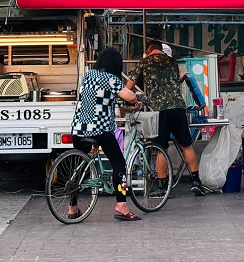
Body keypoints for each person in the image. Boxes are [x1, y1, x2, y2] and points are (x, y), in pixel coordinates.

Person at [126, 41, 210, 196]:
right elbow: (171, 83)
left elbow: (128, 86)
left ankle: (163, 187)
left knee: (161, 148)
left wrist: (129, 100)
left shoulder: (144, 63)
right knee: (186, 145)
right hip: (178, 107)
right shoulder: (171, 61)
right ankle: (196, 182)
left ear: (148, 51)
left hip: (160, 110)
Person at [70, 47, 142, 221]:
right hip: (100, 129)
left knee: (79, 165)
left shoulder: (87, 75)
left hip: (79, 128)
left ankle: (72, 208)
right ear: (116, 65)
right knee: (119, 163)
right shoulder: (111, 78)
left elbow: (98, 97)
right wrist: (135, 97)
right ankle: (121, 205)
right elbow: (129, 96)